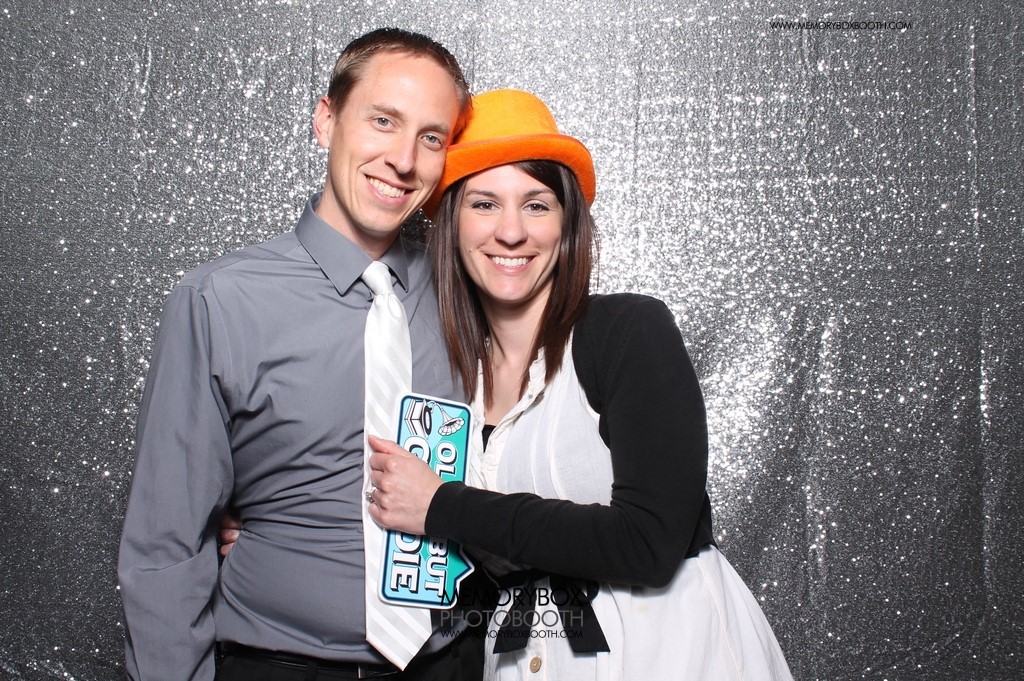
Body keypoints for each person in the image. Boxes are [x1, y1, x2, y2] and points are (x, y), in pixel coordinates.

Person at [364, 88, 794, 680]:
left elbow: (649, 542)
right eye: (484, 204)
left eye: (536, 205)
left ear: (567, 223)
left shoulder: (628, 332)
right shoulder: (449, 374)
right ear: (451, 224)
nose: (511, 232)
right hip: (520, 657)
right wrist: (263, 524)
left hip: (664, 653)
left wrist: (444, 506)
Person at [117, 28, 483, 681]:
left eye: (431, 138)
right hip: (280, 663)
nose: (403, 159)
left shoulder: (467, 289)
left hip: (445, 662)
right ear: (326, 120)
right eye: (382, 120)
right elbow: (166, 541)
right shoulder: (221, 299)